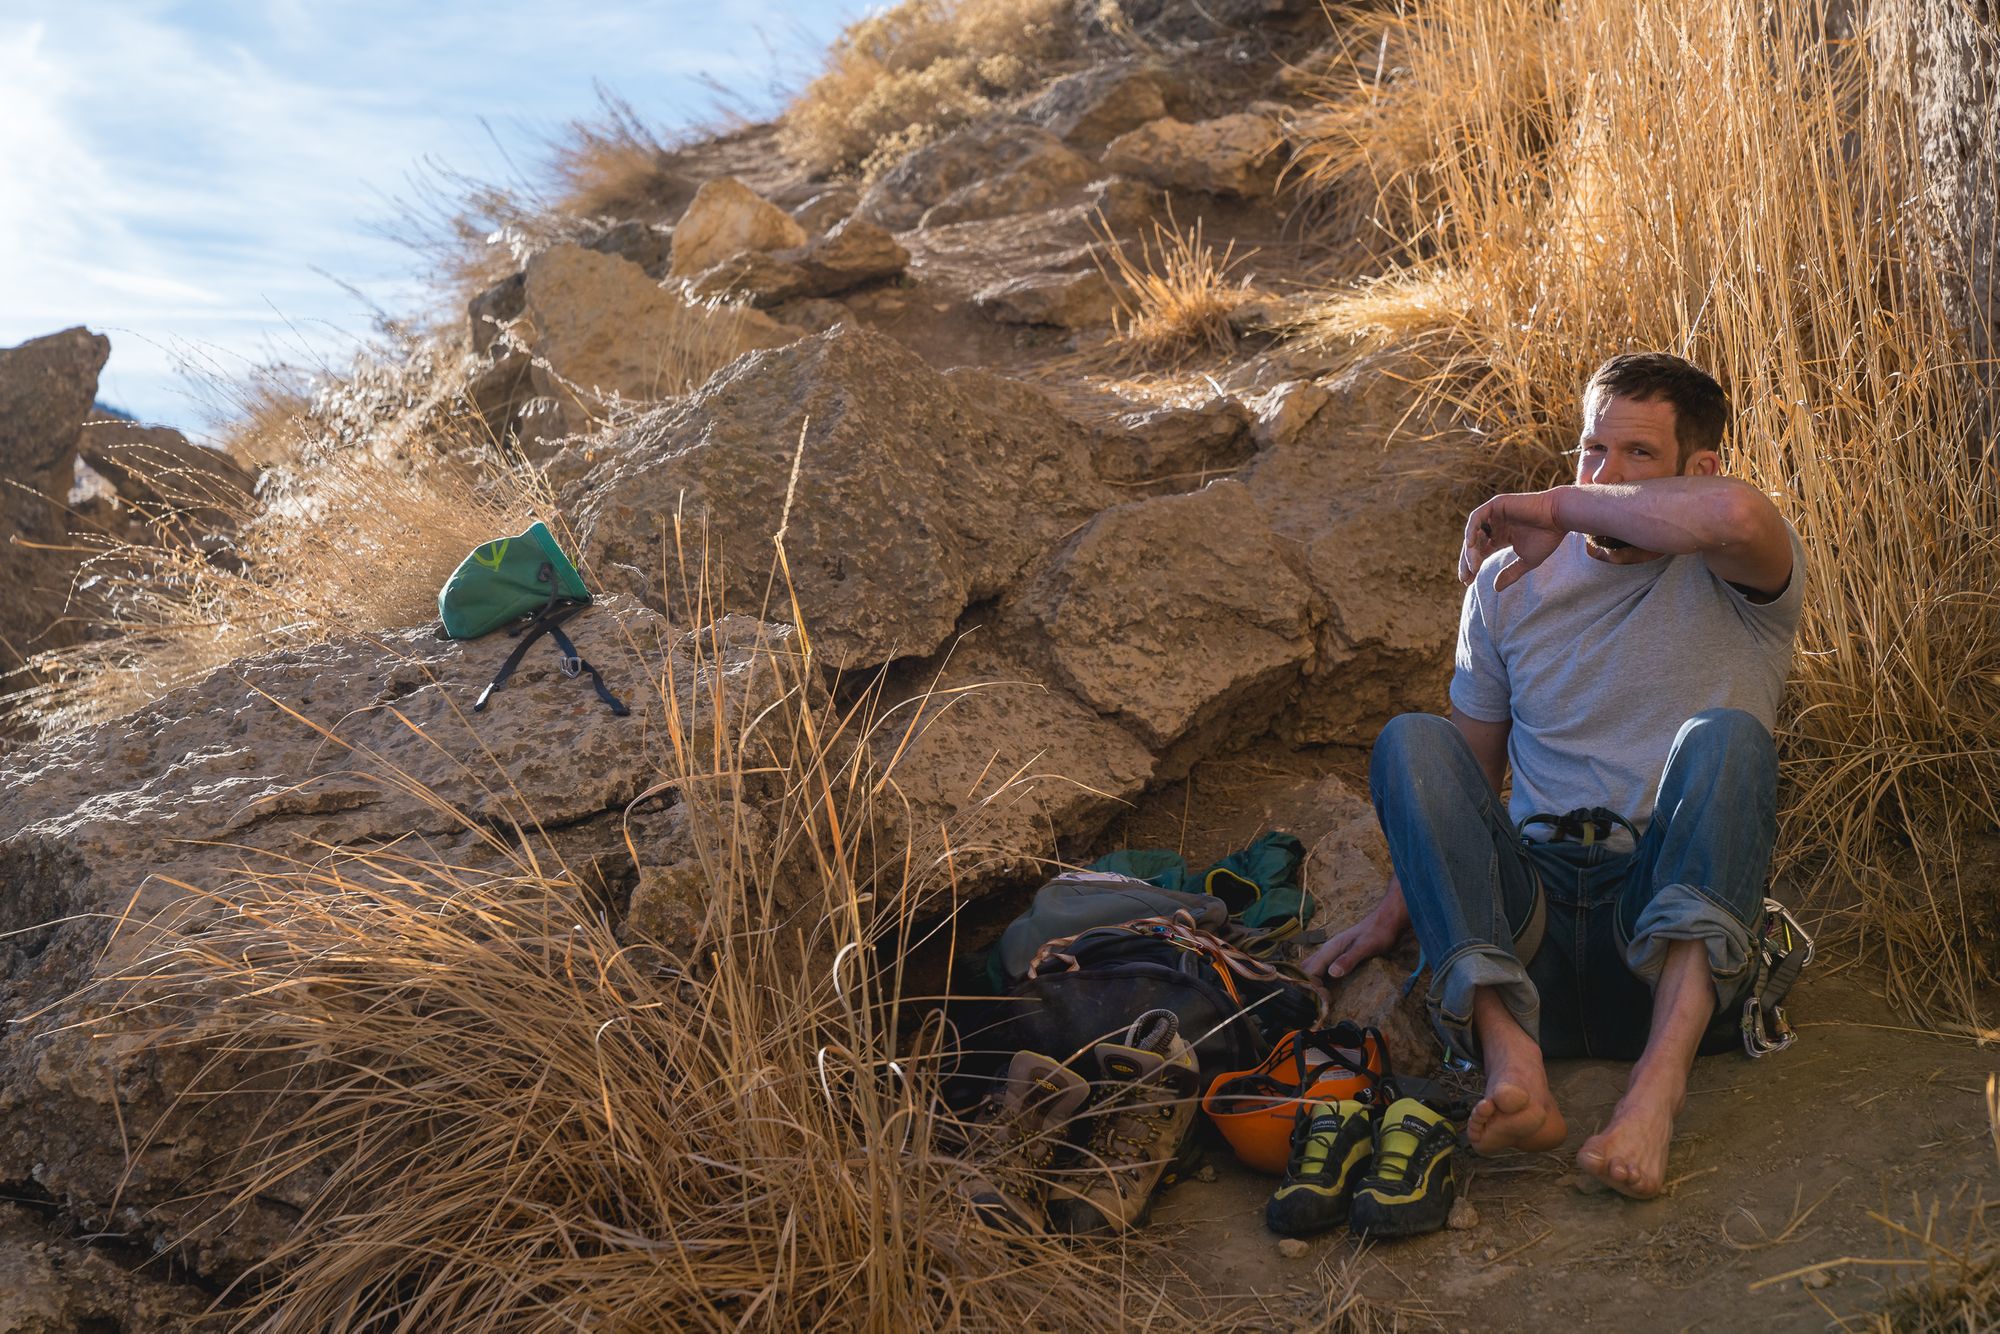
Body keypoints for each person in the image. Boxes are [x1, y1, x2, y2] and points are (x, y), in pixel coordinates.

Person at [1303, 352, 1803, 1199]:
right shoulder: (1510, 581)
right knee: (1411, 740)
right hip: (1528, 935)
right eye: (1589, 450)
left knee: (1727, 739)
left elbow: (1732, 512)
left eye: (1637, 455)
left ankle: (1654, 1092)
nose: (1604, 475)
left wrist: (1554, 505)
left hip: (1659, 937)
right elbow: (1462, 771)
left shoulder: (1738, 571)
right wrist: (1402, 907)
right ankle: (1511, 1057)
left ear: (1698, 466)